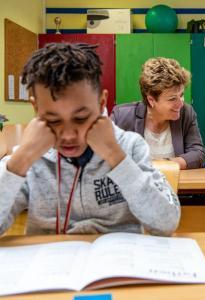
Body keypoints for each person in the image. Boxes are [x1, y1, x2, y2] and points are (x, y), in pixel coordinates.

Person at [0, 43, 180, 235]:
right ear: (36, 108)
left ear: (101, 102)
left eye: (81, 118)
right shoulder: (29, 158)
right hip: (51, 260)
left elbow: (166, 222)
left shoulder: (130, 146)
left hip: (116, 260)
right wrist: (21, 159)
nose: (68, 135)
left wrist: (116, 157)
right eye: (53, 120)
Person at [111, 57, 205, 169]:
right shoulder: (121, 116)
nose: (181, 104)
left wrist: (164, 165)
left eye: (181, 95)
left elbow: (198, 153)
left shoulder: (186, 113)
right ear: (151, 100)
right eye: (172, 99)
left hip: (173, 184)